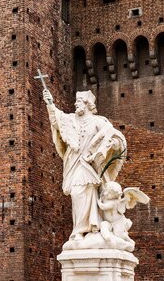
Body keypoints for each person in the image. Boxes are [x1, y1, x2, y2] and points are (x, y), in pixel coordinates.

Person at [43, 89, 126, 247]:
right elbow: (57, 120)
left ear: (88, 104)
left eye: (79, 102)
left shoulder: (99, 122)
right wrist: (50, 103)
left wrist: (107, 147)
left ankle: (83, 231)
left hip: (90, 165)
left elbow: (116, 138)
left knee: (84, 191)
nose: (75, 104)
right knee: (76, 194)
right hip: (74, 162)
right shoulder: (71, 120)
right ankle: (80, 229)